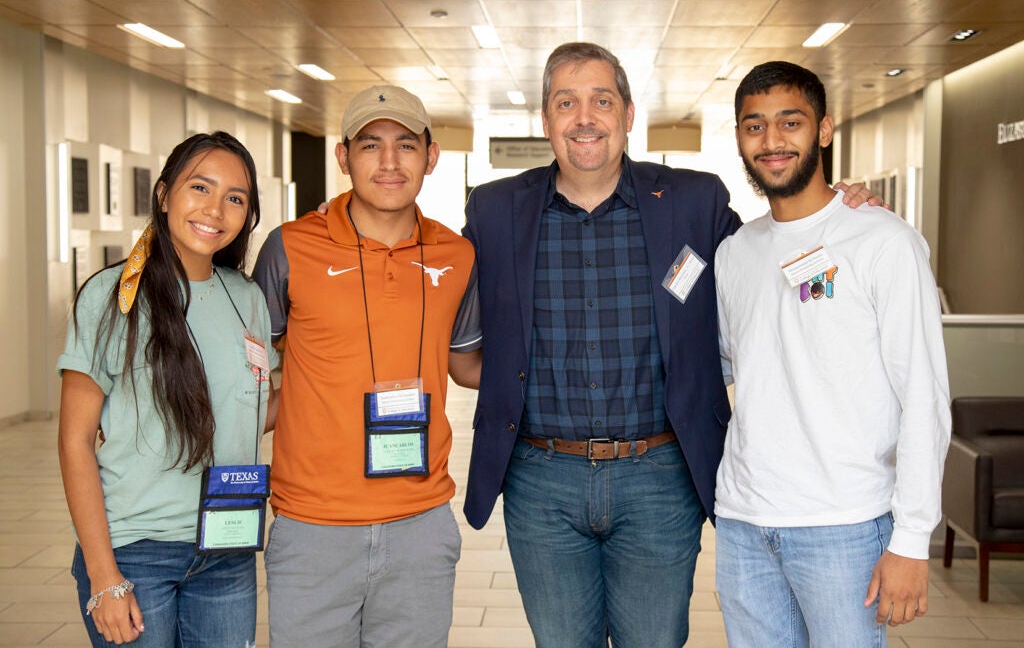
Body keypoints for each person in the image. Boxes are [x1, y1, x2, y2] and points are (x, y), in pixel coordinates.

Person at [461, 42, 880, 647]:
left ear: (628, 113)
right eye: (566, 103)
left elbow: (775, 254)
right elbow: (438, 279)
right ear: (546, 120)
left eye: (602, 101)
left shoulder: (693, 202)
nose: (585, 118)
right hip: (541, 479)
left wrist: (840, 213)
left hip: (659, 476)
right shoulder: (497, 208)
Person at [713, 61, 951, 647]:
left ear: (823, 130)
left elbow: (925, 397)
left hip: (843, 525)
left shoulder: (882, 241)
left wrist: (912, 538)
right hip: (745, 523)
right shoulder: (735, 252)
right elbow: (721, 365)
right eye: (754, 126)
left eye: (790, 122)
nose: (772, 141)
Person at [252, 85, 481, 647]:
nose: (388, 162)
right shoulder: (288, 248)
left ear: (431, 156)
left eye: (405, 145)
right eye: (370, 144)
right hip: (312, 526)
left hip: (420, 522)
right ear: (343, 156)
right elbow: (250, 373)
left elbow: (468, 365)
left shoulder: (457, 256)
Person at [58, 131, 277, 647]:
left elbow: (253, 409)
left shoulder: (246, 298)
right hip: (136, 551)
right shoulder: (110, 297)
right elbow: (74, 442)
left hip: (227, 548)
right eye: (200, 188)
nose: (215, 210)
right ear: (163, 195)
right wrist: (103, 575)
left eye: (235, 198)